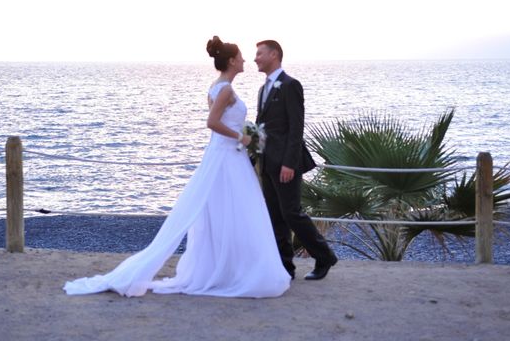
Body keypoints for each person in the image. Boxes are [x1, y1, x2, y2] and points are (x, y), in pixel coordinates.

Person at [63, 36, 290, 298]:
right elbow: (212, 123)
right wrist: (242, 137)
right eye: (240, 57)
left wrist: (243, 133)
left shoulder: (218, 87)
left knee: (227, 213)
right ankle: (233, 271)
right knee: (240, 211)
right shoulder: (225, 89)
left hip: (224, 156)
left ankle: (227, 268)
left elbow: (222, 121)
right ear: (230, 61)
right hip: (227, 157)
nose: (244, 60)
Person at [254, 39, 337, 281]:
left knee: (292, 213)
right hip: (267, 162)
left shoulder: (291, 85)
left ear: (274, 55)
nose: (256, 58)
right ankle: (285, 267)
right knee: (275, 215)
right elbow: (264, 126)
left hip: (285, 163)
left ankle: (324, 257)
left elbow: (296, 127)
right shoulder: (263, 89)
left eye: (260, 53)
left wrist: (289, 163)